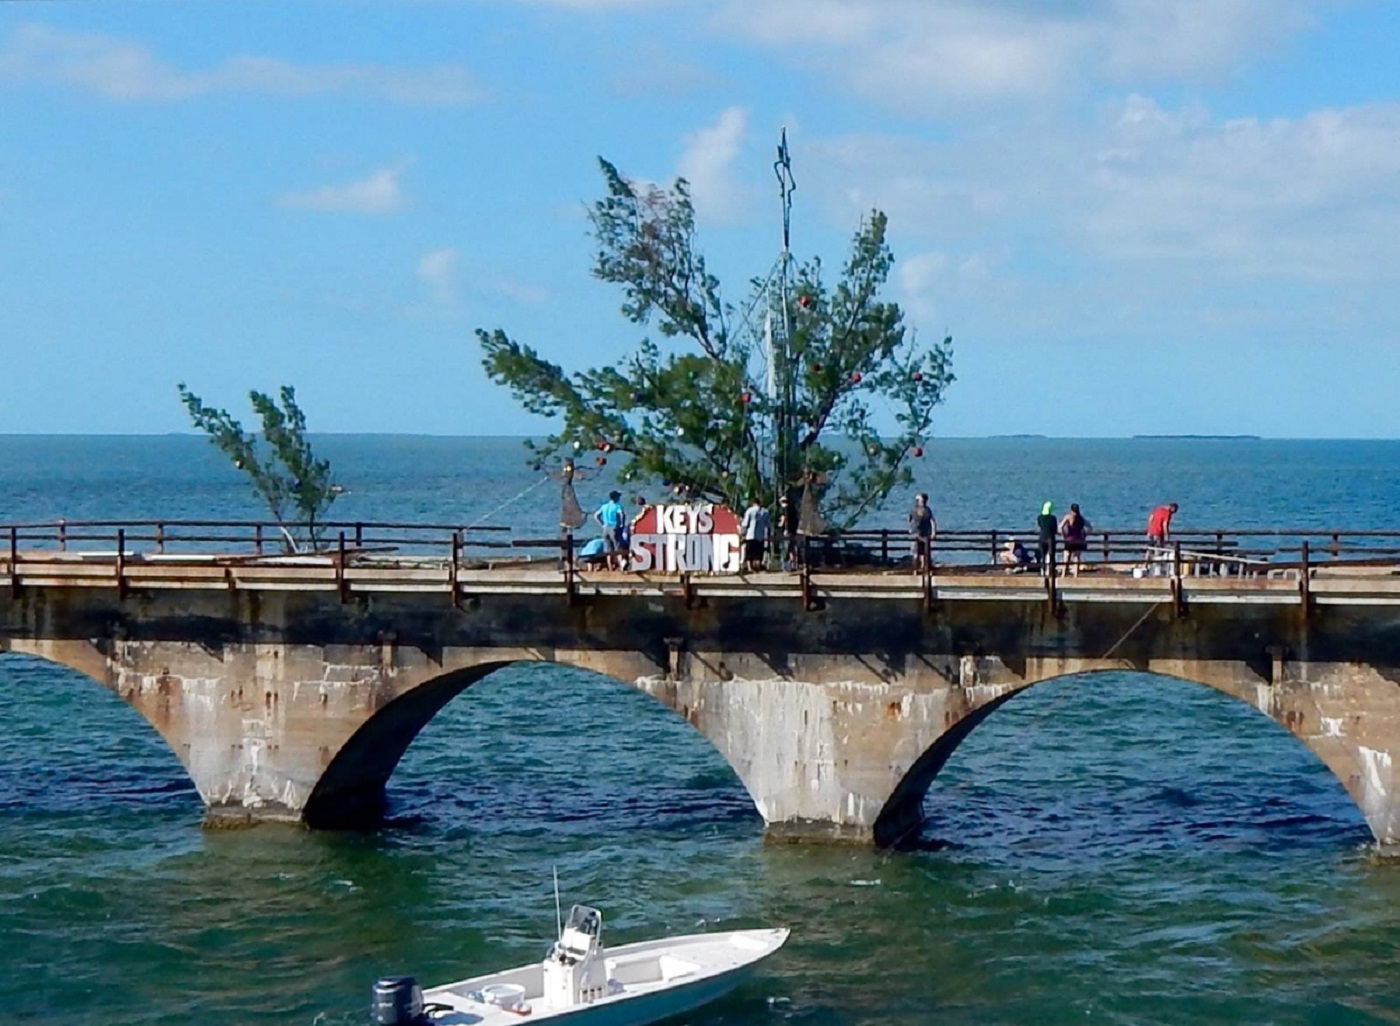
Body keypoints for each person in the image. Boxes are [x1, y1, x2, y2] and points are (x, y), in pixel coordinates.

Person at [594, 490, 626, 570]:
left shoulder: (604, 506)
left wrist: (602, 524)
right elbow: (621, 514)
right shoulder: (617, 506)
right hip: (614, 527)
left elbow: (596, 515)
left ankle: (610, 568)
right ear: (615, 498)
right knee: (618, 548)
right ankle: (621, 567)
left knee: (608, 550)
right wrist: (622, 523)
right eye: (618, 497)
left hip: (605, 528)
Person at [740, 496, 771, 572]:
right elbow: (768, 524)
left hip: (750, 535)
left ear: (752, 503)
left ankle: (750, 568)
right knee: (758, 552)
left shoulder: (749, 511)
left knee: (749, 553)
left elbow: (745, 524)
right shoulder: (765, 512)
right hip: (760, 535)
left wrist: (742, 534)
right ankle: (757, 567)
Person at [1059, 502, 1091, 576]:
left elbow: (1060, 526)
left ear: (1071, 509)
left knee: (1066, 557)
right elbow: (1090, 527)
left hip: (1069, 539)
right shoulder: (1081, 518)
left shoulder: (1068, 517)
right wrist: (1085, 534)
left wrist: (1063, 534)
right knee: (1076, 558)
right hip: (1079, 539)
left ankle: (1063, 574)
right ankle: (1076, 575)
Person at [908, 493, 936, 574]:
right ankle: (916, 570)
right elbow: (909, 518)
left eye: (921, 500)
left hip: (925, 534)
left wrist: (933, 532)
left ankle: (924, 569)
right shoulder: (914, 509)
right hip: (915, 533)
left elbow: (932, 521)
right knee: (916, 553)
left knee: (925, 553)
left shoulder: (927, 510)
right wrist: (910, 528)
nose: (920, 502)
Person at [777, 494, 800, 569]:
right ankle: (793, 564)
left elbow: (784, 519)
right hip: (793, 531)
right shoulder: (793, 510)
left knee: (785, 548)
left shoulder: (785, 509)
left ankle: (785, 565)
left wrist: (780, 525)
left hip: (787, 531)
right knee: (792, 549)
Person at [1036, 501, 1058, 575]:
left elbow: (1040, 526)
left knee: (1043, 555)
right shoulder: (1053, 518)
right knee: (1051, 555)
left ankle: (1042, 570)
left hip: (1042, 537)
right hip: (1050, 538)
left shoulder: (1039, 517)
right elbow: (1055, 529)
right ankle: (1051, 570)